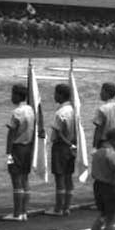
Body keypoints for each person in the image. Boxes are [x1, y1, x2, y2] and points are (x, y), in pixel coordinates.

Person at [4, 82, 36, 221]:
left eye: (13, 94)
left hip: (17, 148)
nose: (11, 97)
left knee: (16, 180)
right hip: (28, 147)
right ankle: (24, 211)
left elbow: (11, 133)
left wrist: (8, 152)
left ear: (18, 95)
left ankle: (17, 213)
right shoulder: (30, 109)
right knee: (25, 179)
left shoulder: (16, 112)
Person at [48, 82, 77, 217]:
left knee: (60, 178)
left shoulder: (60, 112)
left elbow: (58, 133)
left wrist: (66, 143)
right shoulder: (73, 110)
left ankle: (58, 208)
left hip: (61, 147)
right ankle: (67, 207)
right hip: (72, 147)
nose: (54, 96)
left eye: (55, 93)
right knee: (68, 177)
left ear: (60, 95)